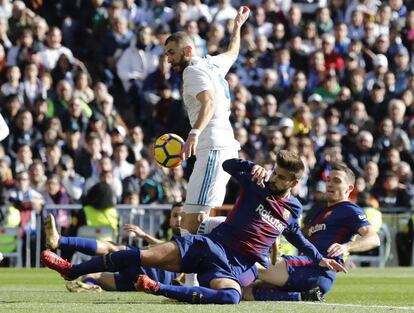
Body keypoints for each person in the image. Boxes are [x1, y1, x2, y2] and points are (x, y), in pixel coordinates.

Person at [41, 150, 345, 304]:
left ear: (293, 183)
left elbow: (296, 237)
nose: (273, 178)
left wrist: (319, 258)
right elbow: (227, 167)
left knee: (231, 298)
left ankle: (158, 288)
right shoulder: (256, 184)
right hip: (212, 245)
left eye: (280, 177)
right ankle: (73, 270)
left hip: (235, 266)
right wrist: (249, 165)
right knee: (142, 256)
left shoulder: (292, 210)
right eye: (274, 172)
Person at [164, 7, 250, 235]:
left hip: (213, 146)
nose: (168, 59)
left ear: (188, 50)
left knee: (194, 218)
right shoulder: (211, 64)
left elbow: (208, 102)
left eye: (172, 53)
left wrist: (194, 133)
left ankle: (252, 230)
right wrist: (237, 27)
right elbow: (233, 52)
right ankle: (197, 270)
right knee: (194, 216)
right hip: (219, 146)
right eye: (166, 54)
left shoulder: (191, 72)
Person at [242, 161, 380, 302]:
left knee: (249, 265)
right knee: (246, 292)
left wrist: (345, 247)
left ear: (349, 188)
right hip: (306, 272)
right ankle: (304, 296)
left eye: (337, 181)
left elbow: (373, 238)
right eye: (328, 180)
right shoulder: (320, 212)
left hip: (316, 269)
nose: (330, 184)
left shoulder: (349, 209)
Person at [45, 203, 183, 292]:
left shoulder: (191, 238)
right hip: (138, 282)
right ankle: (89, 286)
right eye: (175, 216)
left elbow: (169, 248)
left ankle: (61, 243)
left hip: (162, 276)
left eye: (182, 216)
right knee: (93, 275)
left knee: (114, 248)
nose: (179, 219)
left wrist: (145, 236)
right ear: (169, 220)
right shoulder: (172, 241)